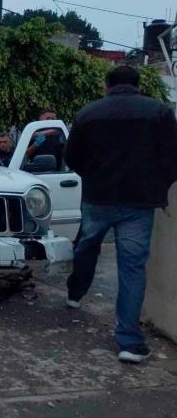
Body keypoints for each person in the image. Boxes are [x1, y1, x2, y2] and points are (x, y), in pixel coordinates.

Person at [64, 65, 177, 364]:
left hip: (98, 198)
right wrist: (159, 187)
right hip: (138, 203)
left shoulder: (88, 113)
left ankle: (75, 292)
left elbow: (71, 156)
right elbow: (172, 158)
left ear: (107, 85)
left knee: (87, 246)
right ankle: (129, 342)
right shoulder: (159, 112)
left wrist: (94, 177)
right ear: (138, 85)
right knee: (132, 268)